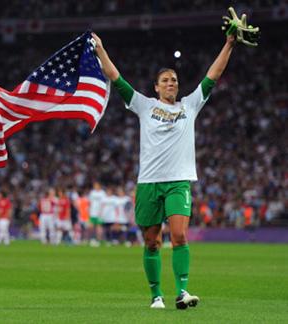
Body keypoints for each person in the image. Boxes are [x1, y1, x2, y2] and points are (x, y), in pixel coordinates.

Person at [93, 27, 236, 309]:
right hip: (148, 182)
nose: (171, 83)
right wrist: (100, 50)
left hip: (178, 181)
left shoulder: (190, 105)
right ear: (156, 87)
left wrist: (229, 43)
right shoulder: (144, 105)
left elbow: (213, 75)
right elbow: (115, 77)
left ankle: (182, 291)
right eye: (165, 80)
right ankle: (156, 295)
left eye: (174, 80)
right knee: (152, 242)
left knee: (179, 234)